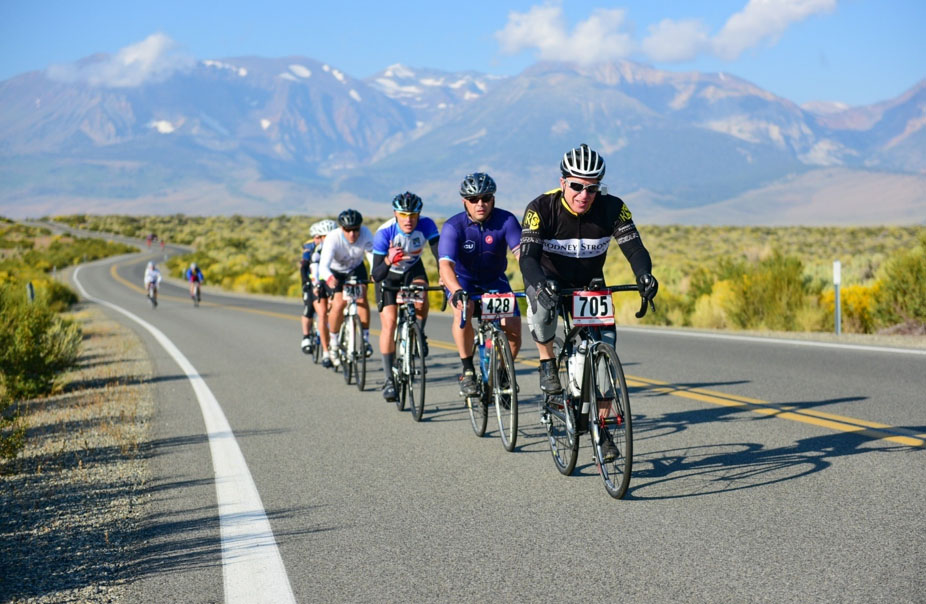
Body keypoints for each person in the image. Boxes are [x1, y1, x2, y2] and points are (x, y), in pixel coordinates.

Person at [519, 143, 658, 459]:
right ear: (563, 182)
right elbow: (527, 257)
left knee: (603, 364)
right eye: (577, 186)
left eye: (592, 188)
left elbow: (635, 248)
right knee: (541, 311)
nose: (584, 194)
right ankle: (546, 362)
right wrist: (539, 284)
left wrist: (644, 275)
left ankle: (603, 430)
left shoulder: (613, 208)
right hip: (548, 280)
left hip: (590, 285)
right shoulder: (540, 208)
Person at [438, 173, 522, 397]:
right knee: (463, 310)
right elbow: (445, 266)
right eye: (474, 199)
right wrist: (456, 291)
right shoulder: (453, 226)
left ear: (493, 199)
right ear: (464, 201)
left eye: (485, 198)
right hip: (463, 280)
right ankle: (468, 371)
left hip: (495, 279)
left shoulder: (506, 220)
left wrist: (535, 282)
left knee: (513, 329)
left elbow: (523, 256)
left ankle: (502, 374)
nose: (480, 204)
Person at [371, 192, 441, 402]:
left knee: (422, 294)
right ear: (395, 214)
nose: (408, 219)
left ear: (419, 214)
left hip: (412, 269)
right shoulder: (384, 232)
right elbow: (376, 275)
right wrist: (389, 261)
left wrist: (445, 277)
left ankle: (419, 333)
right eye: (403, 214)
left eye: (413, 214)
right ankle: (389, 380)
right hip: (388, 275)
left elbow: (439, 256)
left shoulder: (427, 225)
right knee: (390, 323)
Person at [317, 209, 375, 368]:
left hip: (356, 269)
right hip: (336, 272)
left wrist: (374, 272)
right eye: (348, 230)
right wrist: (329, 278)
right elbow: (323, 266)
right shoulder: (333, 238)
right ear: (341, 228)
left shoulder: (366, 233)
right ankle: (334, 343)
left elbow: (372, 256)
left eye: (356, 229)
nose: (352, 234)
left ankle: (365, 340)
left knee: (362, 298)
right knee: (339, 303)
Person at [308, 219, 339, 366]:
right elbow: (315, 272)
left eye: (330, 235)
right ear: (320, 238)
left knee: (337, 311)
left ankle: (338, 342)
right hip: (320, 283)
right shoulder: (317, 252)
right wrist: (316, 285)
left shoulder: (338, 247)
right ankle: (326, 352)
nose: (327, 239)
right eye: (324, 236)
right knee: (322, 315)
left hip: (334, 283)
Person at [300, 223, 323, 354]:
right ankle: (306, 336)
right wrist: (305, 282)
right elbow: (303, 266)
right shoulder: (309, 247)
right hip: (311, 279)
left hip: (326, 279)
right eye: (317, 237)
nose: (319, 240)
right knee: (309, 307)